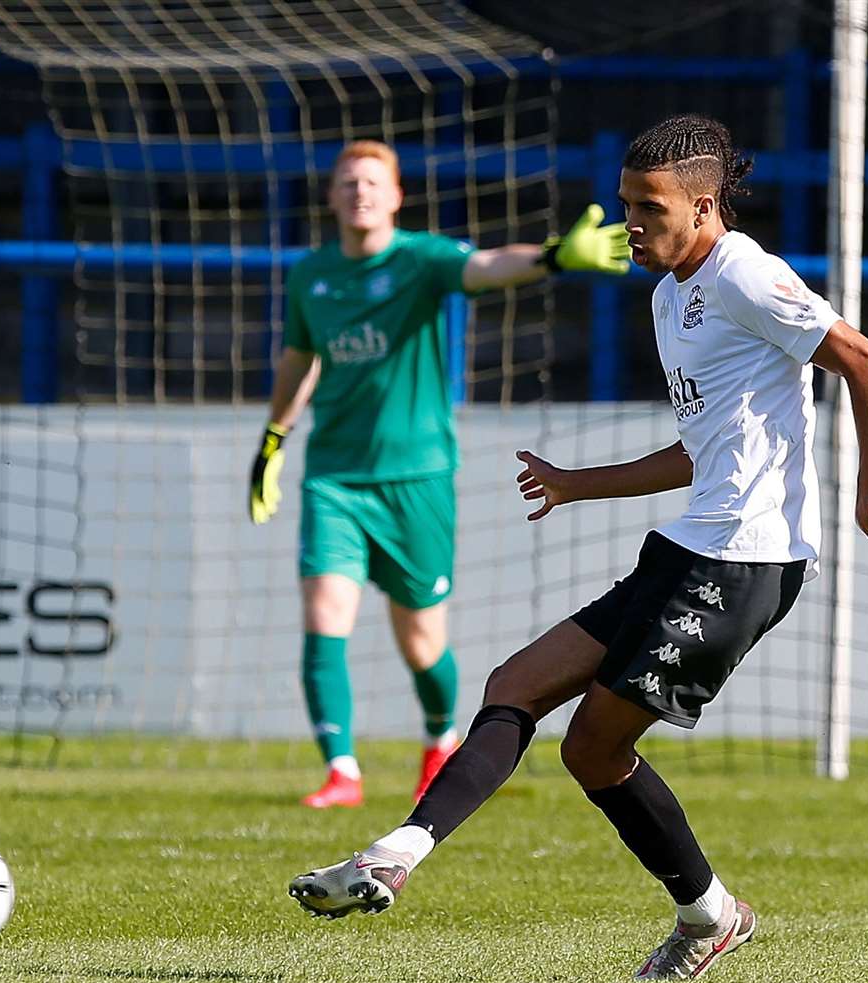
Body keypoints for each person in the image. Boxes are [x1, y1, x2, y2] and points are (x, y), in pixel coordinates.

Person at [288, 115, 868, 980]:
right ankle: (393, 855)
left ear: (702, 207)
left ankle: (708, 919)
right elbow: (699, 448)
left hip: (745, 562)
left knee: (592, 747)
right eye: (627, 204)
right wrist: (573, 481)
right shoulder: (671, 293)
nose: (630, 223)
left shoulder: (746, 275)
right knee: (514, 685)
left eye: (648, 207)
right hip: (686, 546)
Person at [250, 139, 631, 808]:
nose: (358, 192)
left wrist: (549, 257)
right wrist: (274, 437)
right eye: (346, 182)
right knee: (323, 613)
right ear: (331, 196)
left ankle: (437, 741)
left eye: (371, 181)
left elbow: (485, 266)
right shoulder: (310, 274)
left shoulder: (421, 260)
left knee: (421, 639)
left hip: (417, 478)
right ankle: (342, 769)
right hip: (333, 476)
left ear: (395, 196)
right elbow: (297, 360)